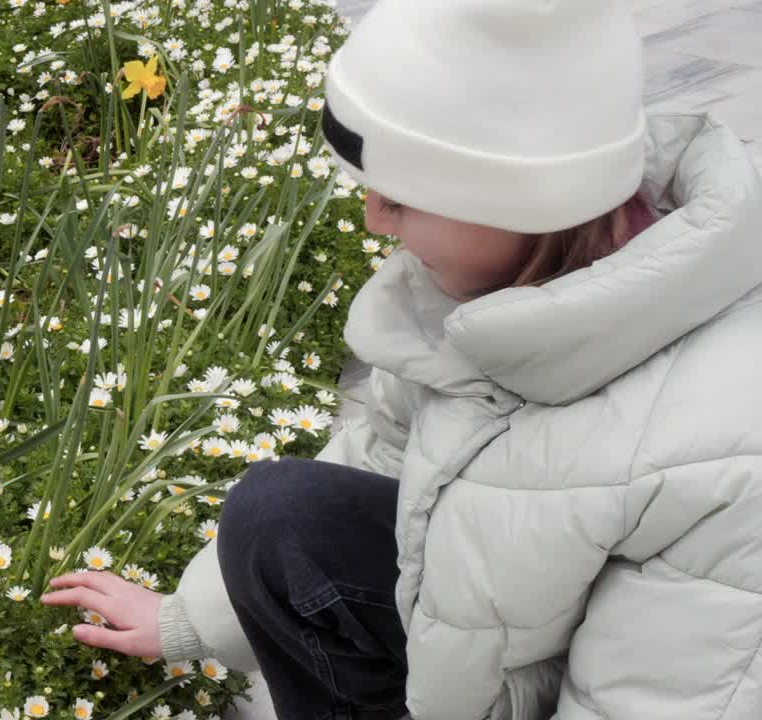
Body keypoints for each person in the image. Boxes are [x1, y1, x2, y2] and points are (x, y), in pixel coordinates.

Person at [41, 0, 762, 717]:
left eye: (402, 197)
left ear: (523, 198)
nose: (372, 220)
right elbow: (378, 455)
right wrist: (189, 619)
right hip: (476, 665)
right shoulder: (484, 291)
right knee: (282, 517)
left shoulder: (723, 450)